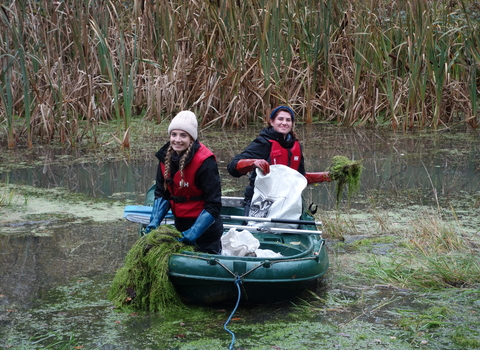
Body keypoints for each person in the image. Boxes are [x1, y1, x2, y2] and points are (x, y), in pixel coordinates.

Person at [227, 105, 331, 214]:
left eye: (288, 120)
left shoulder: (296, 146)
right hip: (260, 201)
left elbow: (300, 178)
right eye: (280, 119)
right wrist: (253, 163)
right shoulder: (263, 143)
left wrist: (326, 176)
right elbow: (233, 167)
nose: (284, 123)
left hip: (287, 202)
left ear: (292, 124)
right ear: (272, 122)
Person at [145, 110, 223, 254]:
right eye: (174, 134)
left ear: (192, 138)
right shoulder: (165, 158)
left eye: (183, 135)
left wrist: (194, 232)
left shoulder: (205, 162)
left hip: (206, 231)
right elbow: (162, 193)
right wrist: (154, 221)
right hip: (181, 224)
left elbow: (214, 204)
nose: (177, 140)